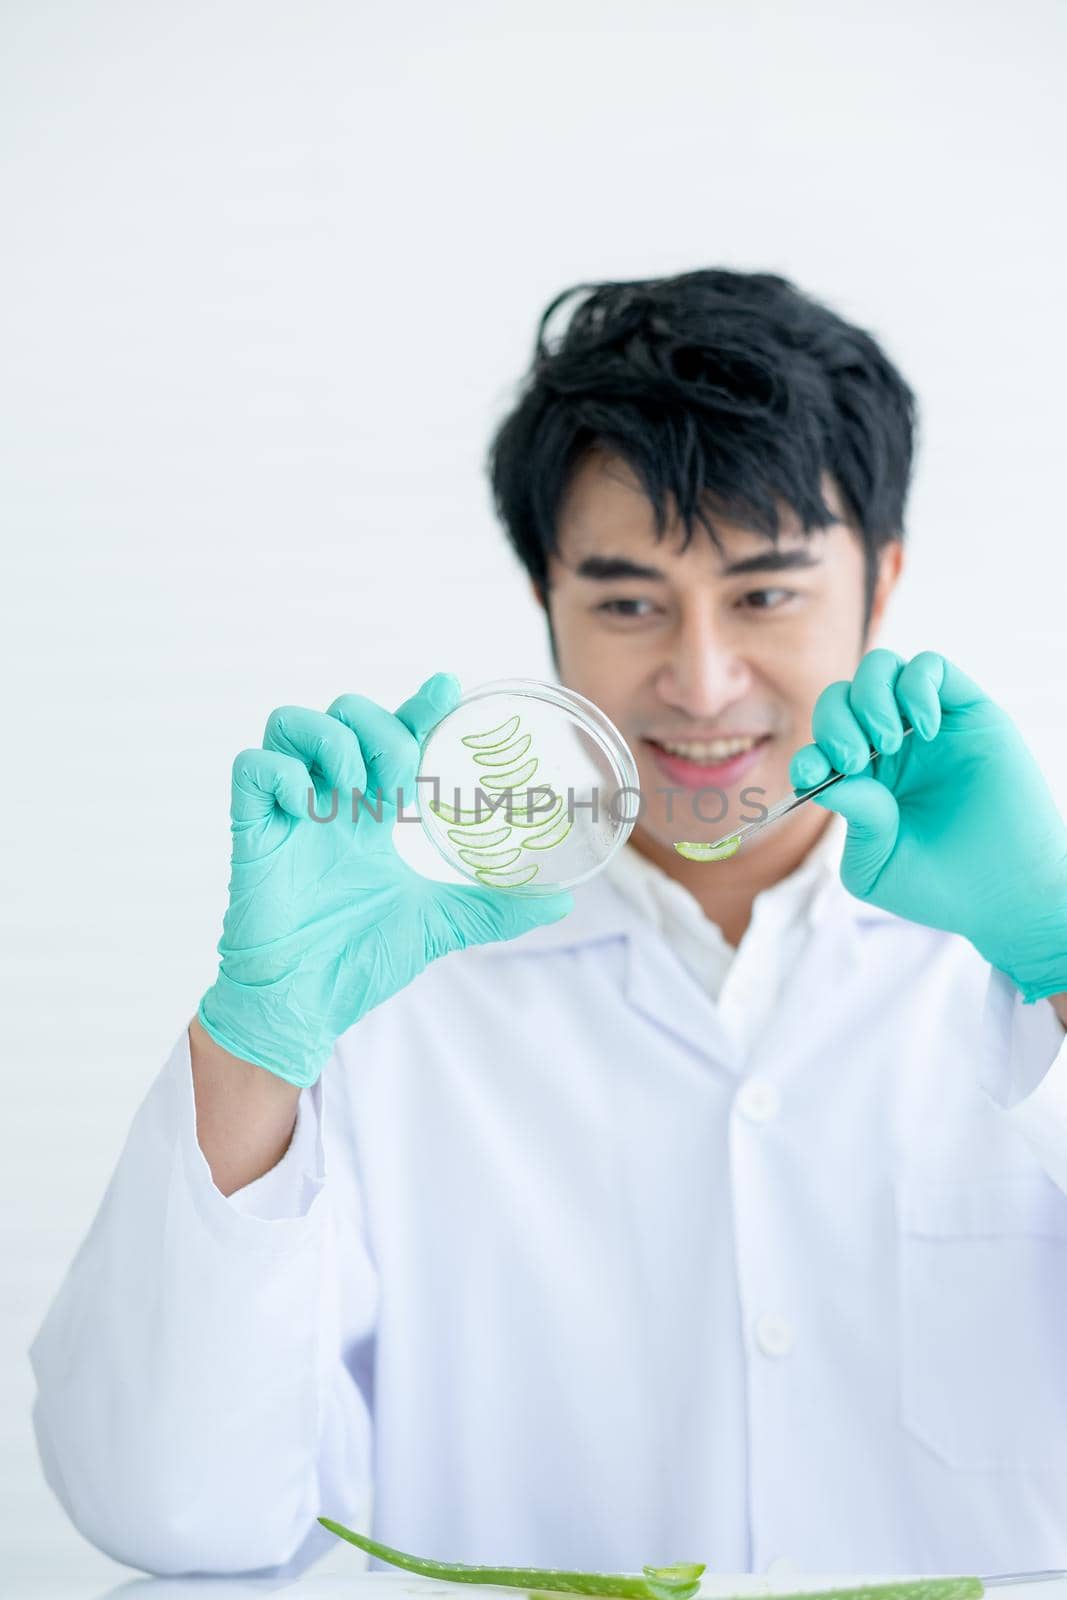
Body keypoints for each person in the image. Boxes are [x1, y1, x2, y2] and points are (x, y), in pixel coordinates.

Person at [29, 270, 1067, 1581]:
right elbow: (164, 1515)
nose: (700, 682)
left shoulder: (1021, 961)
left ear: (884, 578)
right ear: (545, 594)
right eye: (629, 602)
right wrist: (258, 1039)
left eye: (765, 595)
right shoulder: (389, 1000)